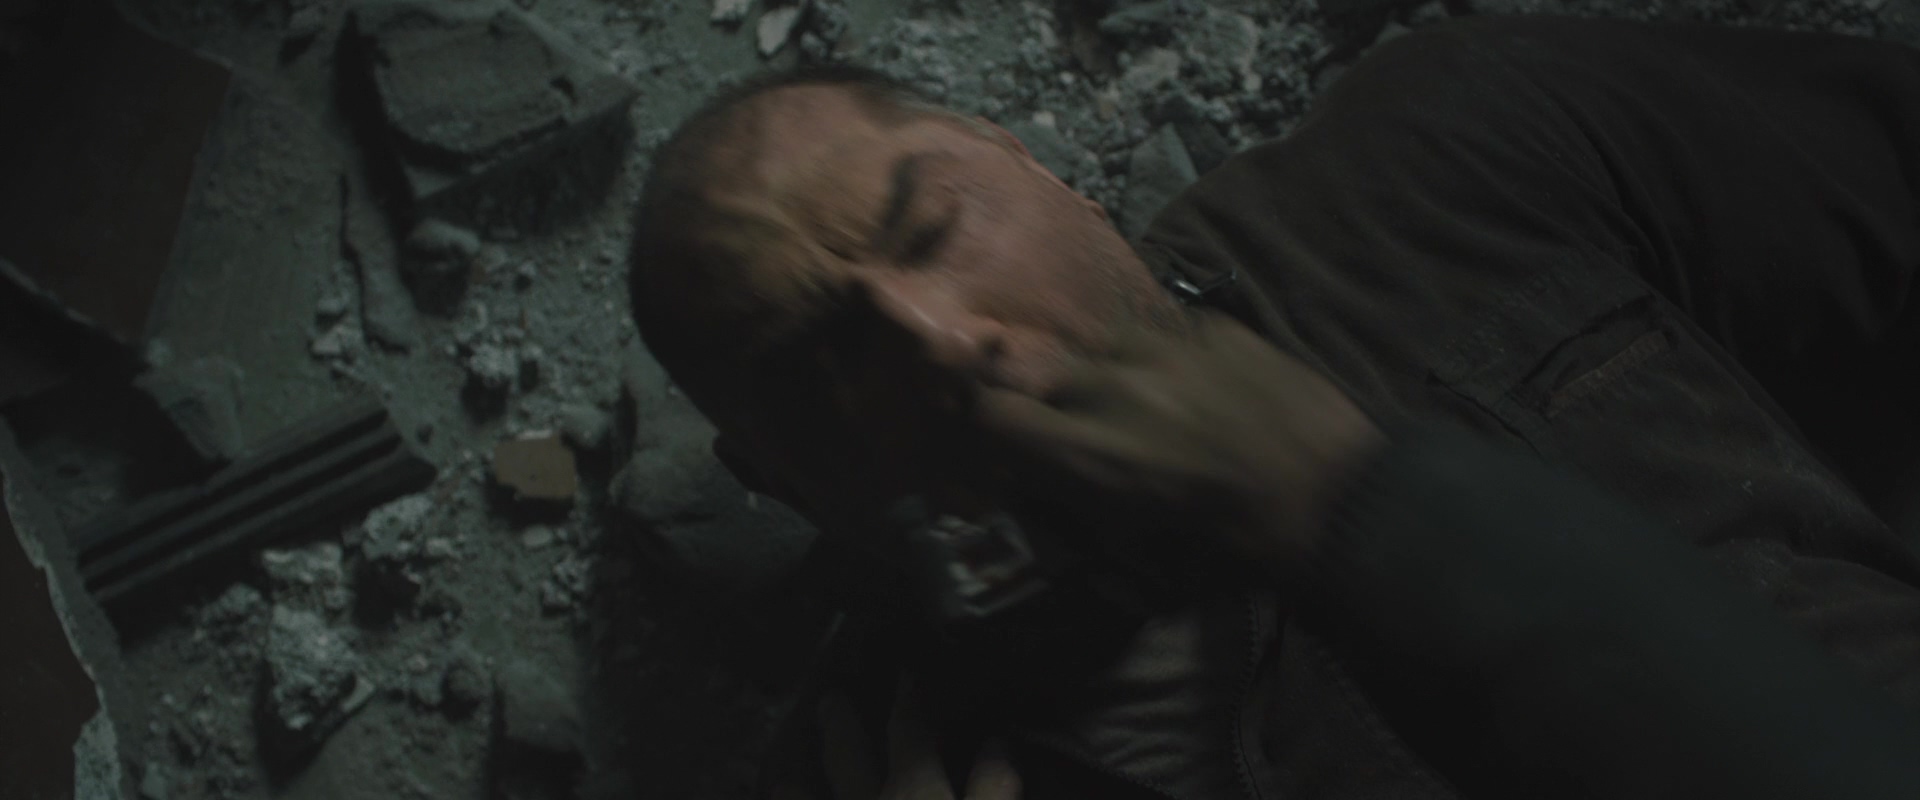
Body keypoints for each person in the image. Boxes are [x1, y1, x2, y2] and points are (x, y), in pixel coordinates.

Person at [626, 14, 1920, 800]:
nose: (945, 343)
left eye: (931, 227)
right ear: (784, 482)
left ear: (1033, 165)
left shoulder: (1444, 164)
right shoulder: (902, 758)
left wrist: (1355, 509)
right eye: (823, 362)